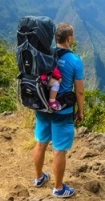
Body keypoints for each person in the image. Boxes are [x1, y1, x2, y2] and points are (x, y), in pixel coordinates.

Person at [33, 22, 85, 198]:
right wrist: (80, 111)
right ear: (69, 38)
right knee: (59, 149)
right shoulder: (75, 60)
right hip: (62, 111)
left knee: (41, 143)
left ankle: (39, 177)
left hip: (42, 107)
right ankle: (59, 188)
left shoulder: (46, 54)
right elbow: (79, 91)